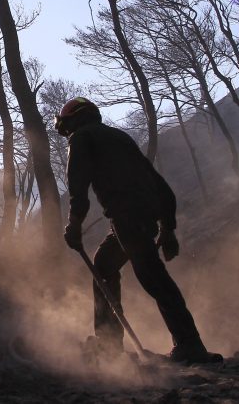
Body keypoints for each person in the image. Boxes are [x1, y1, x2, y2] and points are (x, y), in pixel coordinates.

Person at [56, 96, 213, 364]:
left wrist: (74, 225)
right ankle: (109, 344)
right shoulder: (119, 138)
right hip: (142, 217)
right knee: (104, 265)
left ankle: (190, 346)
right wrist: (167, 226)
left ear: (72, 121)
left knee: (153, 276)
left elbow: (78, 190)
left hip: (127, 217)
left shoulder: (81, 139)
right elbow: (158, 183)